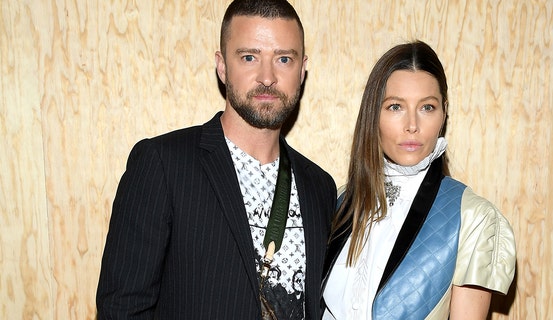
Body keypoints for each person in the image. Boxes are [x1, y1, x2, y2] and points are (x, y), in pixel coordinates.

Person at [96, 0, 337, 319]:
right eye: (249, 57)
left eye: (283, 58)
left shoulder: (320, 186)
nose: (267, 77)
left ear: (302, 68)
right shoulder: (164, 165)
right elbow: (122, 309)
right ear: (222, 66)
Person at [321, 41, 516, 320]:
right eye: (395, 107)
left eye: (426, 107)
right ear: (373, 113)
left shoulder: (472, 217)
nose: (412, 124)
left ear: (443, 112)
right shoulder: (340, 202)